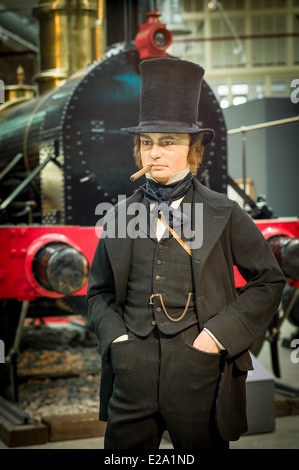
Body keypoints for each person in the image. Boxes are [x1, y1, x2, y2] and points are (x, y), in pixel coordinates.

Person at [86, 58, 285, 449]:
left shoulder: (223, 212)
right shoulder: (120, 215)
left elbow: (268, 281)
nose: (153, 153)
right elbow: (98, 293)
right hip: (131, 376)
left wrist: (216, 337)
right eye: (146, 142)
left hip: (200, 373)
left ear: (192, 148)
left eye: (167, 141)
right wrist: (116, 342)